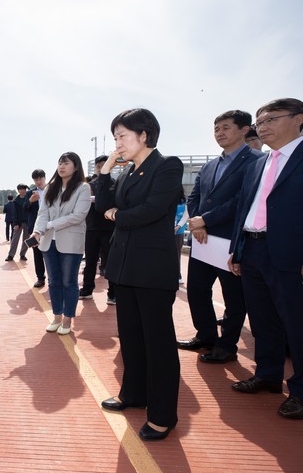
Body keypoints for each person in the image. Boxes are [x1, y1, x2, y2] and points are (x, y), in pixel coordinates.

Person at [95, 108, 183, 441]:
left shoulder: (167, 165)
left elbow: (153, 210)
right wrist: (105, 172)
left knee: (158, 343)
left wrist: (120, 214)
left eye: (122, 136)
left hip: (152, 269)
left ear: (144, 134)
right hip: (125, 266)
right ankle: (134, 394)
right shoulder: (128, 172)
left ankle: (162, 415)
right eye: (115, 137)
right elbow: (102, 207)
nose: (118, 143)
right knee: (131, 338)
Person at [228, 98, 303, 419]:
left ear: (299, 119)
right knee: (262, 320)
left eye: (272, 119)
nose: (264, 127)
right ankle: (268, 375)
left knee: (297, 324)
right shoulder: (257, 162)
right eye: (260, 122)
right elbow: (244, 207)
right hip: (253, 250)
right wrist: (237, 248)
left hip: (290, 254)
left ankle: (300, 391)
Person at [177, 110, 261, 363]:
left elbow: (242, 200)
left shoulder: (257, 161)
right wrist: (198, 224)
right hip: (203, 240)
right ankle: (206, 335)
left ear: (244, 130)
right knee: (197, 290)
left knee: (234, 297)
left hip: (231, 240)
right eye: (216, 129)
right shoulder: (210, 165)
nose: (219, 133)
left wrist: (206, 219)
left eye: (225, 128)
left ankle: (227, 345)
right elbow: (195, 196)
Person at [29, 152, 90, 335]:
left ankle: (67, 319)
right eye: (60, 163)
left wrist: (50, 225)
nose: (61, 166)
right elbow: (43, 213)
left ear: (76, 167)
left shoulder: (83, 188)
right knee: (54, 281)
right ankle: (56, 316)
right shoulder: (50, 188)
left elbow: (78, 216)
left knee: (69, 282)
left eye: (66, 163)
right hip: (48, 242)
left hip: (71, 241)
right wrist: (38, 231)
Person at [80, 155, 116, 304]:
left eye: (105, 165)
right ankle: (87, 289)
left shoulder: (116, 184)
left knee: (111, 262)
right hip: (92, 228)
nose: (101, 168)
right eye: (99, 166)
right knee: (90, 261)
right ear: (95, 167)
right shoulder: (88, 185)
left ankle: (113, 293)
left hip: (110, 229)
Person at [25, 169, 47, 288]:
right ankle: (40, 278)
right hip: (36, 228)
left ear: (44, 178)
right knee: (37, 254)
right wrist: (30, 201)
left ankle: (54, 278)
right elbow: (24, 208)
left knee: (51, 253)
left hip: (51, 227)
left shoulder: (52, 190)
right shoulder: (31, 193)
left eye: (40, 178)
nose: (38, 181)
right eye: (36, 179)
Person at [5, 184, 29, 261]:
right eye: (21, 189)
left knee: (26, 239)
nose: (23, 191)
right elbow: (14, 213)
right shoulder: (16, 201)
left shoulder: (29, 199)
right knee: (15, 239)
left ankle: (23, 254)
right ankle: (11, 255)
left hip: (27, 222)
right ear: (18, 190)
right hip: (19, 222)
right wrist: (15, 224)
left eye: (24, 189)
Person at [173, 190, 188, 284]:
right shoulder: (167, 199)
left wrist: (178, 226)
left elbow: (185, 216)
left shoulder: (184, 203)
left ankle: (178, 275)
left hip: (178, 232)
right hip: (167, 231)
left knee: (177, 254)